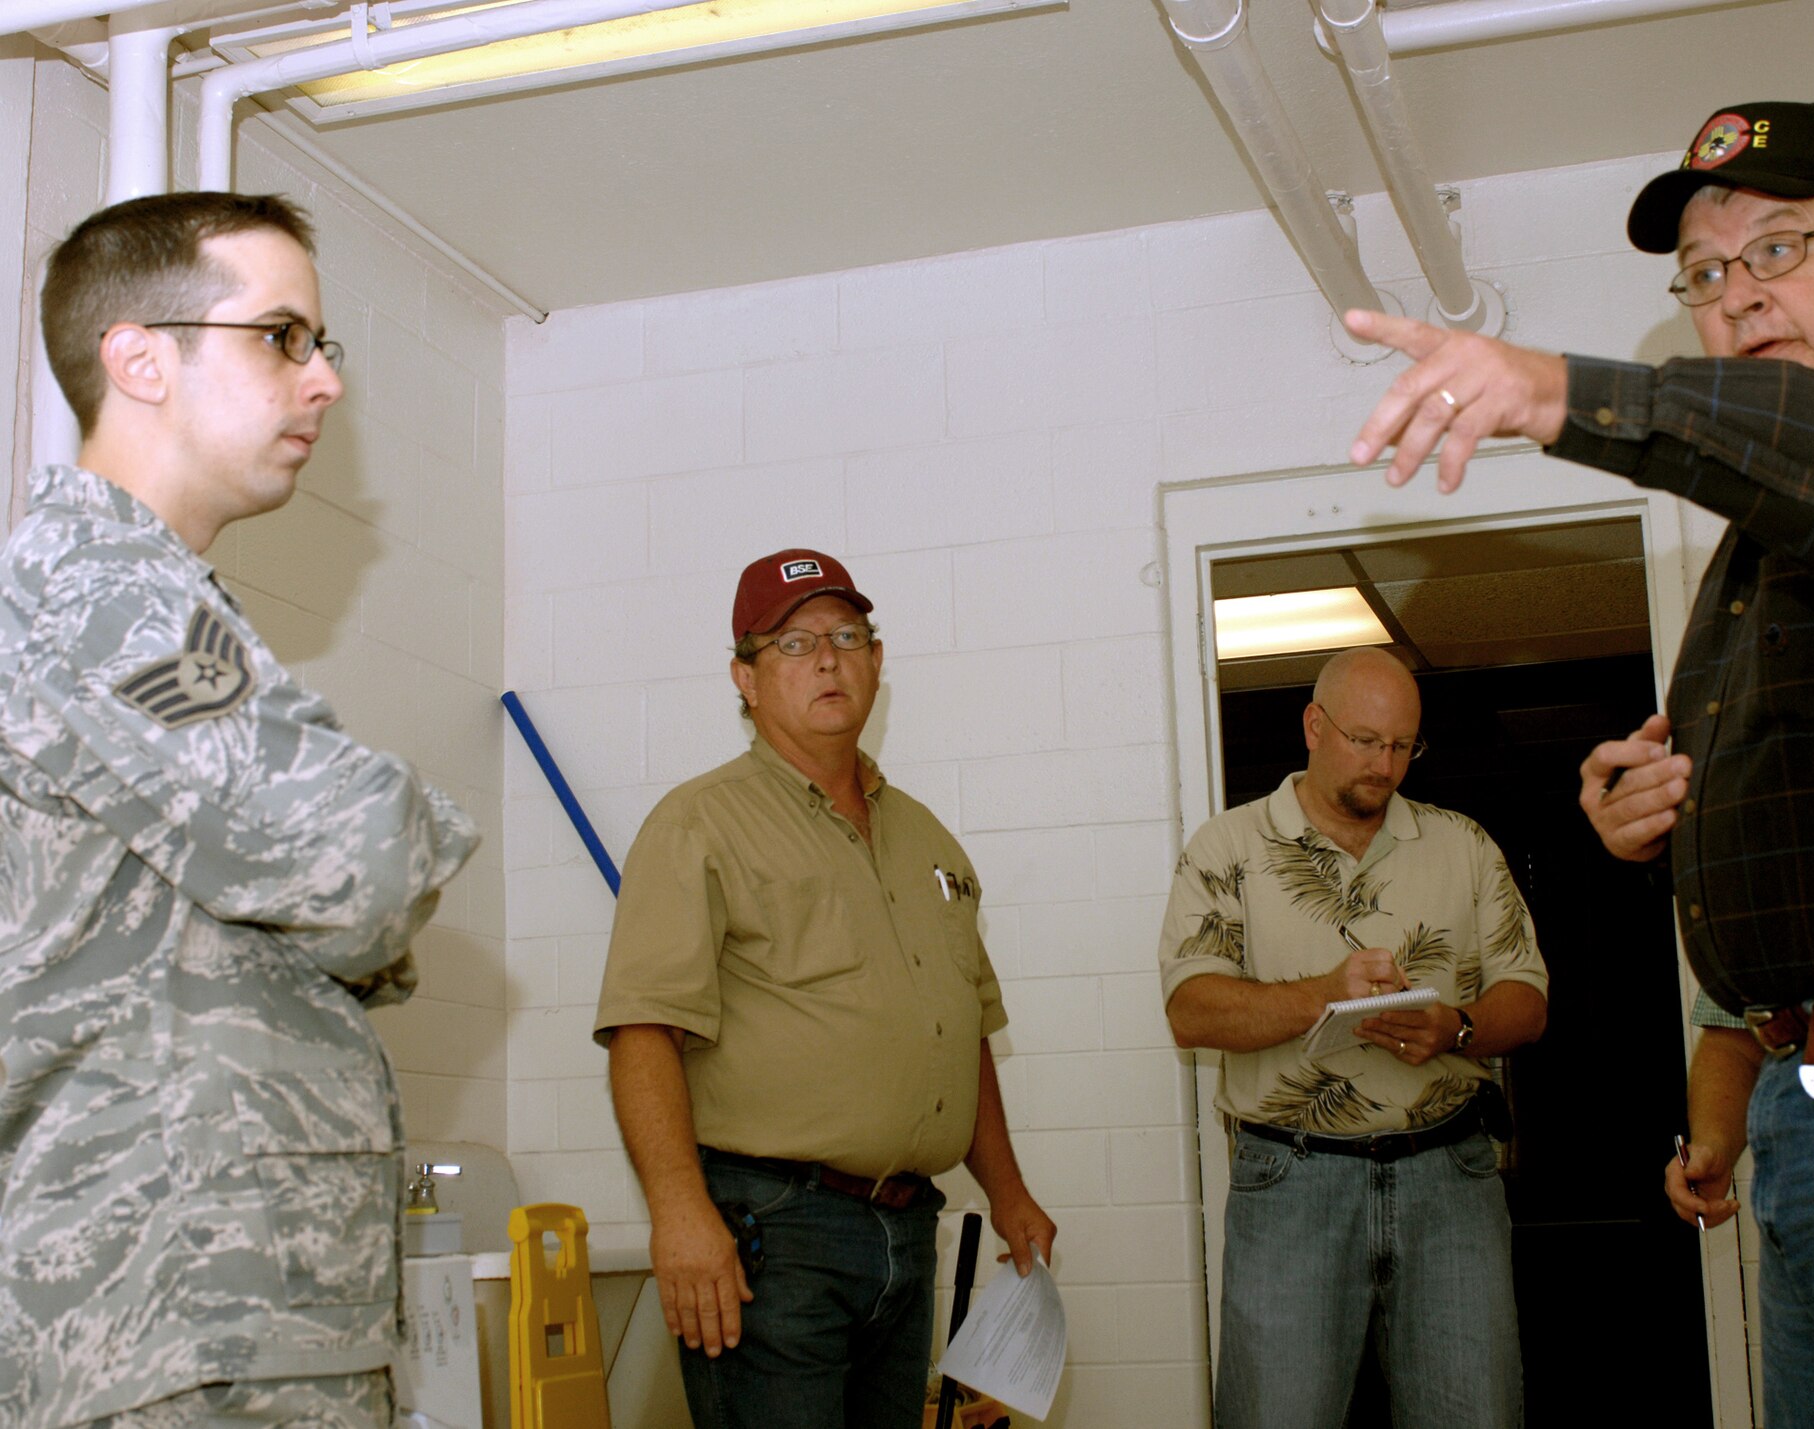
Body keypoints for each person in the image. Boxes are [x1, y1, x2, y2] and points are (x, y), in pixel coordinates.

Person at [1347, 101, 1814, 1426]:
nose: (1738, 297)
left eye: (1776, 251)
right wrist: (1653, 813)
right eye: (1707, 277)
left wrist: (1565, 390)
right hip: (1812, 1107)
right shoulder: (1758, 555)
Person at [0, 192, 479, 1428]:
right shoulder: (101, 593)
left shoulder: (149, 600)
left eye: (324, 346)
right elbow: (361, 858)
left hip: (210, 1302)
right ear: (140, 358)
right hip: (172, 1306)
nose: (322, 383)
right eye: (282, 336)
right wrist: (400, 827)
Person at [595, 548, 1055, 1429]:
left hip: (906, 1234)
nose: (829, 659)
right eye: (795, 643)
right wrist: (679, 1213)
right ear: (747, 677)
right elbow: (643, 1033)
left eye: (848, 636)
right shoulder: (699, 824)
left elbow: (960, 1037)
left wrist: (1007, 1191)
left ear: (877, 662)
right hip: (772, 1238)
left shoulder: (928, 840)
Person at [1157, 647, 1548, 1429]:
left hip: (1451, 1177)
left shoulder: (1463, 844)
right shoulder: (1227, 848)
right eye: (1366, 740)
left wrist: (1458, 1028)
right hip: (1291, 1181)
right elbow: (1191, 1010)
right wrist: (1323, 994)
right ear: (1313, 724)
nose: (1385, 763)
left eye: (1403, 745)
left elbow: (1527, 998)